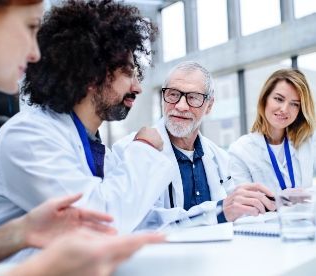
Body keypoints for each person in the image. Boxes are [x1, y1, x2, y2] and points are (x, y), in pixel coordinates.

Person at [0, 0, 163, 275]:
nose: (36, 54)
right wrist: (41, 269)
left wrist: (23, 231)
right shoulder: (25, 134)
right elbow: (108, 219)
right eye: (30, 27)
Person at [0, 0, 171, 240]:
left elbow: (141, 218)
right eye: (127, 73)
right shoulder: (28, 136)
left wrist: (217, 213)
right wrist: (144, 149)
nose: (138, 88)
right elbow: (101, 222)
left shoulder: (91, 144)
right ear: (92, 75)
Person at [114, 61, 277, 230]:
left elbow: (233, 213)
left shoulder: (220, 157)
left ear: (209, 106)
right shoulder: (130, 150)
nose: (181, 106)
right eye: (173, 94)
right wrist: (218, 212)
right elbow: (137, 223)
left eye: (193, 97)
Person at [228, 69, 316, 193]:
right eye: (279, 99)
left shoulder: (308, 140)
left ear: (300, 110)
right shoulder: (240, 150)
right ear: (265, 99)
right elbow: (244, 205)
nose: (284, 109)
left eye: (294, 104)